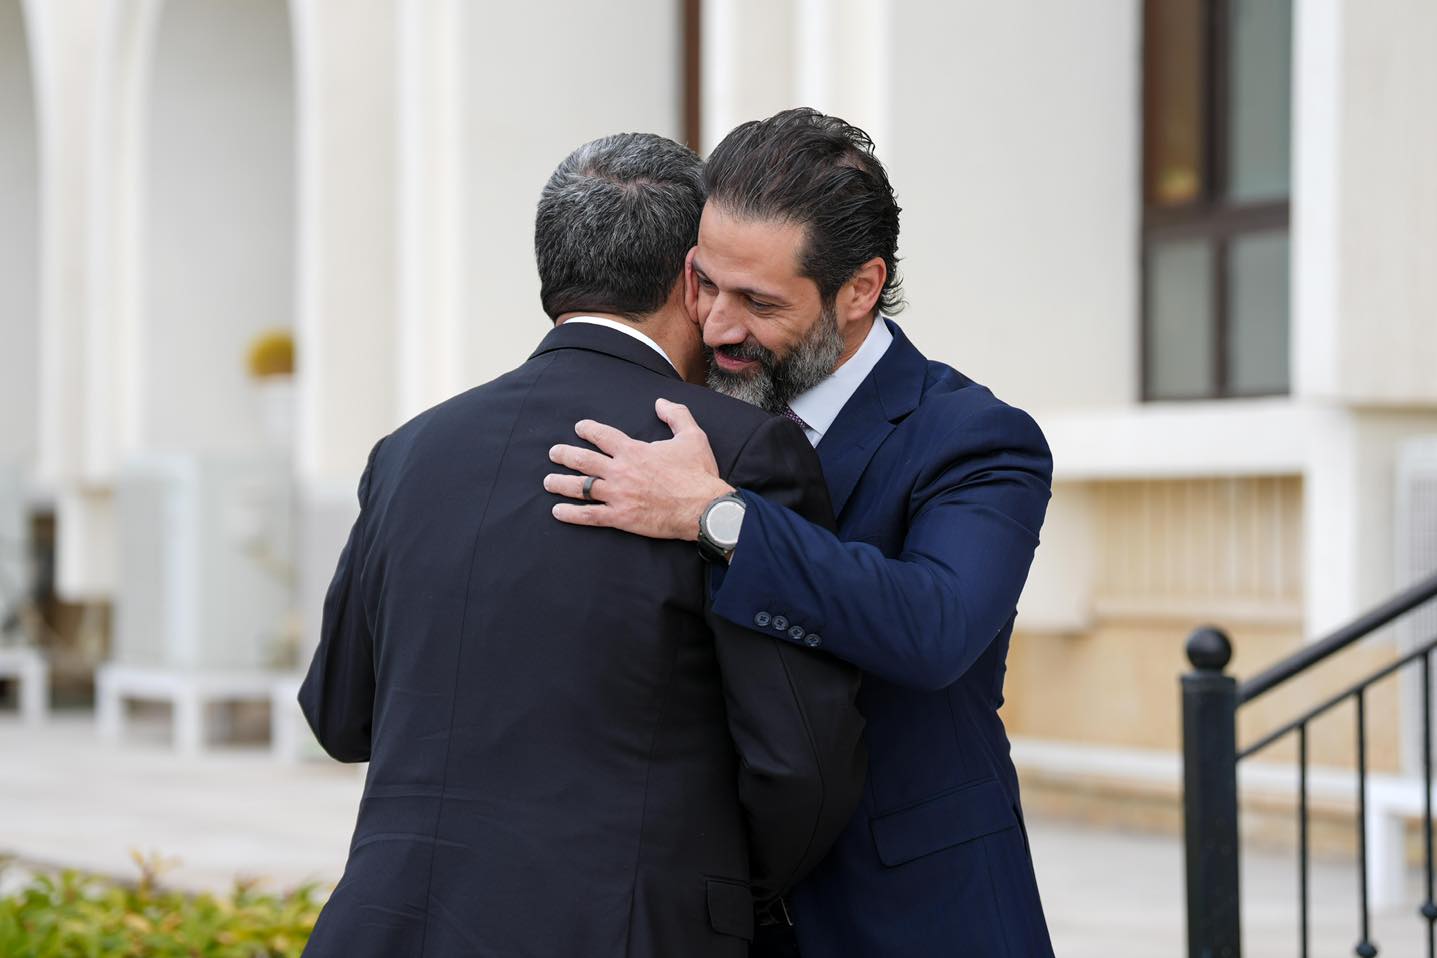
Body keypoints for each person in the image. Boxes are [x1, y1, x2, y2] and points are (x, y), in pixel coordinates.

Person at [298, 132, 866, 958]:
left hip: (387, 932)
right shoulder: (736, 452)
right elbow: (801, 764)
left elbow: (339, 716)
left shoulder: (410, 451)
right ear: (693, 278)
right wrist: (707, 895)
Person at [546, 109, 1056, 957]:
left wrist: (716, 519)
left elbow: (934, 626)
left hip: (916, 920)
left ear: (859, 289)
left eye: (759, 302)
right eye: (705, 283)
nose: (717, 325)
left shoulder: (977, 437)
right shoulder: (682, 415)